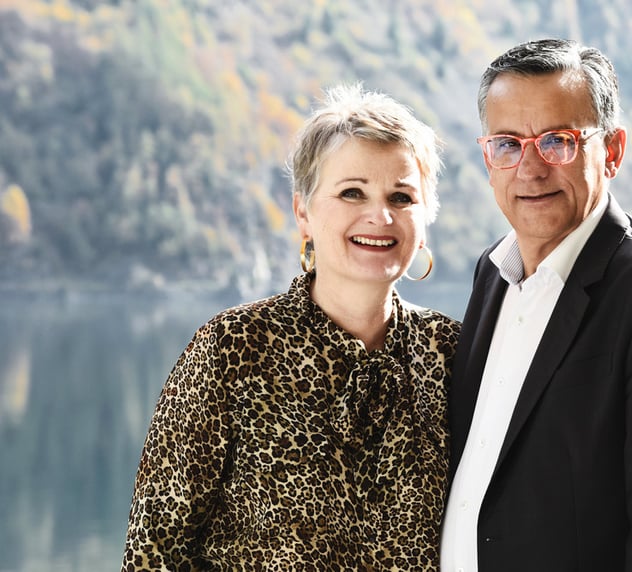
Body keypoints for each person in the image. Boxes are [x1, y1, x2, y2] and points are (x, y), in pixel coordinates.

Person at [121, 84, 460, 570]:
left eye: (402, 197)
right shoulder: (232, 348)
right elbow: (153, 552)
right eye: (352, 192)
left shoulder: (453, 354)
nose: (380, 216)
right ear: (304, 212)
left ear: (424, 220)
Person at [440, 39, 632, 571]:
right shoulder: (493, 272)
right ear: (488, 157)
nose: (530, 169)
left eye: (558, 141)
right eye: (508, 144)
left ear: (613, 151)